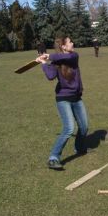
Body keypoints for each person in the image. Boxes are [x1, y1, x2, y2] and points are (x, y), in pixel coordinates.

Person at [36, 36, 89, 170]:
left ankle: (80, 148)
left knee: (84, 127)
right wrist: (43, 63)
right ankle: (53, 158)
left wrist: (48, 56)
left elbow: (64, 58)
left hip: (76, 98)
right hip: (63, 98)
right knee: (69, 129)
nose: (73, 43)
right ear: (64, 46)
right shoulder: (56, 62)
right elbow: (50, 76)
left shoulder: (74, 56)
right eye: (70, 42)